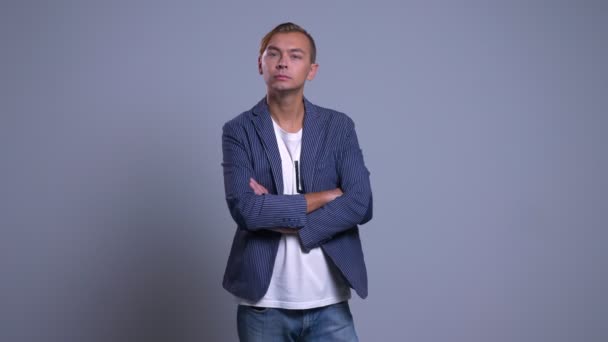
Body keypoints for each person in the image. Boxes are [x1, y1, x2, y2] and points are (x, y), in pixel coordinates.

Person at [221, 22, 373, 341]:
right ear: (260, 63)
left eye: (295, 55)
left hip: (329, 301)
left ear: (311, 69)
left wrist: (280, 215)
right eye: (273, 54)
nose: (282, 62)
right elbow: (247, 211)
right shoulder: (238, 131)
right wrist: (328, 197)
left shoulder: (338, 127)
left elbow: (361, 202)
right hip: (263, 305)